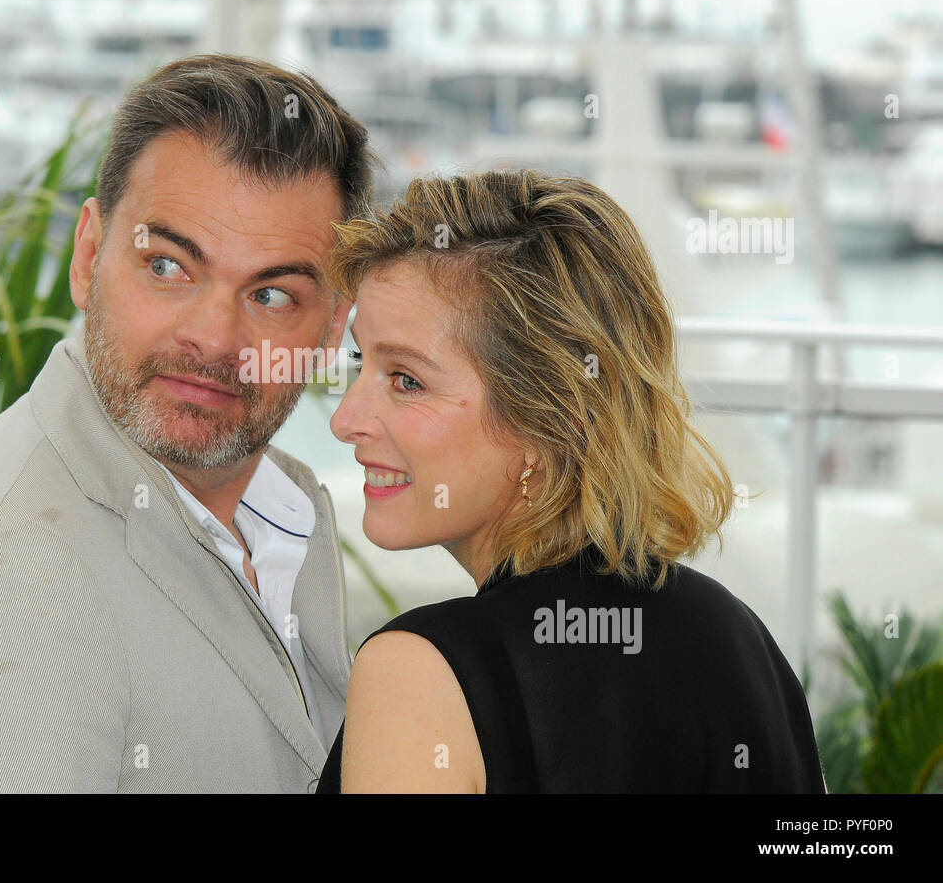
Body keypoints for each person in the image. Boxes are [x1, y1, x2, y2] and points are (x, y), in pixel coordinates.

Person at [0, 53, 379, 792]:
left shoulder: (281, 509)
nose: (213, 338)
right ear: (88, 255)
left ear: (331, 328)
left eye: (273, 295)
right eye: (167, 266)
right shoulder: (3, 569)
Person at [316, 169, 828, 793]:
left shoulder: (421, 673)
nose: (346, 419)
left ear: (545, 419)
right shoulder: (744, 644)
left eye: (406, 380)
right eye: (358, 361)